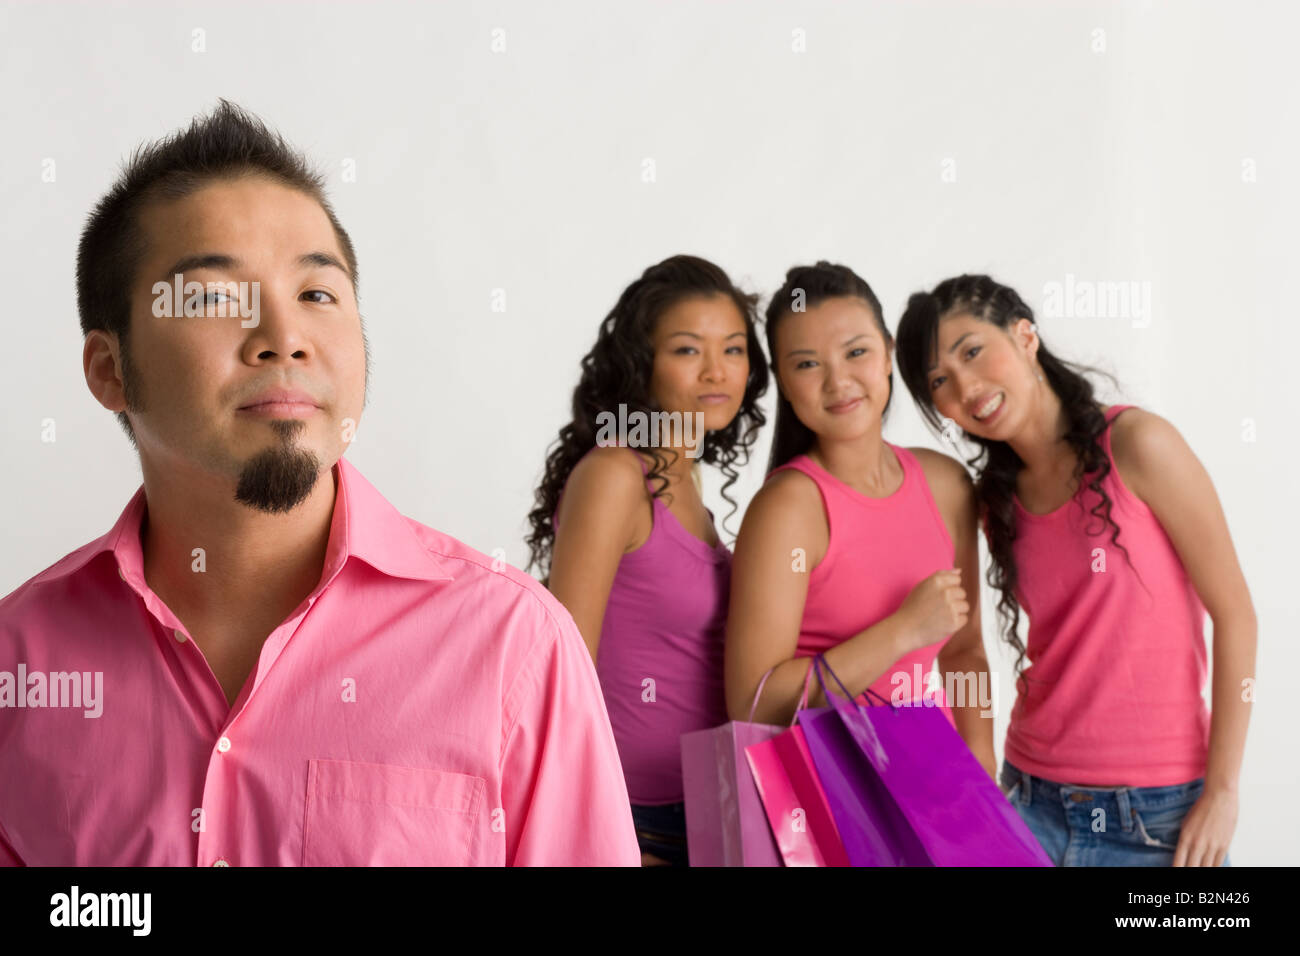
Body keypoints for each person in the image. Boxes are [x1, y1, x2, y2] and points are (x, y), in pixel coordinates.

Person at [0, 100, 640, 867]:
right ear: (110, 371)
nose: (285, 340)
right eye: (211, 299)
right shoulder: (20, 663)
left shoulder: (514, 648)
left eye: (316, 294)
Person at [894, 273, 1255, 867]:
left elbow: (1237, 613)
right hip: (1030, 797)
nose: (966, 386)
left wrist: (1222, 791)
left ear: (1025, 335)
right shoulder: (994, 499)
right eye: (940, 380)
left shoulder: (1138, 445)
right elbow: (962, 651)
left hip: (1159, 817)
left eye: (972, 351)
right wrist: (979, 774)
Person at [526, 255, 770, 865]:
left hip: (714, 803)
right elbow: (563, 660)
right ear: (643, 365)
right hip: (634, 815)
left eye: (734, 349)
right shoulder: (615, 477)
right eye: (688, 350)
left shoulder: (690, 487)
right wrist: (588, 820)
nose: (717, 370)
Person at [726, 262, 996, 779]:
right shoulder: (788, 509)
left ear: (889, 354)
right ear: (783, 381)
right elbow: (753, 706)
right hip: (829, 800)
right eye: (807, 365)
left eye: (856, 353)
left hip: (933, 783)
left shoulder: (946, 484)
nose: (839, 381)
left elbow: (964, 651)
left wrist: (982, 770)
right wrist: (899, 633)